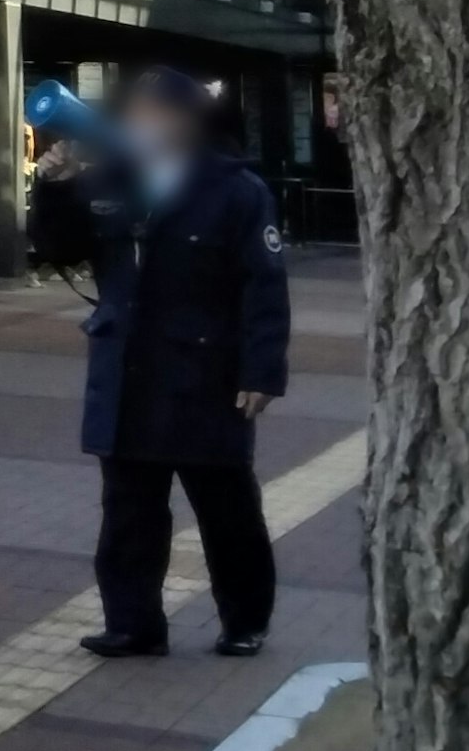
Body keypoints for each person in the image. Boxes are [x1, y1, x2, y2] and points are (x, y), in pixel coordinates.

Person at [48, 66, 291, 659]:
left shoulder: (236, 190)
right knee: (129, 512)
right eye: (135, 112)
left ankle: (244, 621)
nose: (139, 122)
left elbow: (264, 287)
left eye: (154, 112)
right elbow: (59, 247)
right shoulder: (109, 178)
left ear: (185, 122)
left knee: (227, 510)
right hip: (128, 370)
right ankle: (133, 624)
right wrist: (55, 189)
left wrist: (262, 373)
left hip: (206, 376)